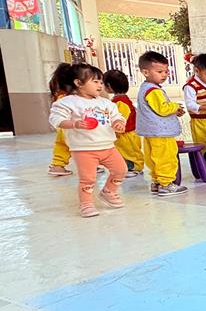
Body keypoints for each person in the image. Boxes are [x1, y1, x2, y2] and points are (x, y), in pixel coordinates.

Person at [48, 63, 129, 218]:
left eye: (101, 82)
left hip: (108, 146)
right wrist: (74, 124)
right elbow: (56, 119)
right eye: (95, 81)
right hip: (83, 149)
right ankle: (86, 204)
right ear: (78, 83)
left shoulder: (105, 103)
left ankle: (109, 191)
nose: (100, 85)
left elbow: (117, 116)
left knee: (121, 170)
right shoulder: (67, 102)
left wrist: (119, 123)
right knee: (88, 179)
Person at [136, 51, 188, 197]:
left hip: (151, 132)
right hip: (161, 132)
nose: (164, 75)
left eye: (166, 71)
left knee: (153, 158)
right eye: (159, 72)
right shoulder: (153, 91)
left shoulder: (145, 88)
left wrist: (173, 111)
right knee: (166, 157)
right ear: (145, 72)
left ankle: (157, 182)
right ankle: (166, 184)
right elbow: (163, 109)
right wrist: (175, 106)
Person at [102, 69, 144, 177]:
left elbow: (121, 118)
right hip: (124, 134)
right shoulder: (120, 99)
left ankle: (135, 167)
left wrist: (116, 130)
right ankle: (128, 167)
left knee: (130, 152)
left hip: (126, 134)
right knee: (124, 151)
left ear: (109, 85)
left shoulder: (120, 101)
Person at [183, 53, 206, 161]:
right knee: (204, 148)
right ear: (197, 71)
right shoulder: (191, 86)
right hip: (200, 123)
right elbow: (190, 105)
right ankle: (205, 166)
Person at [46, 72, 73, 177]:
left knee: (62, 145)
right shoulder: (73, 98)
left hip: (62, 127)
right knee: (84, 146)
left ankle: (57, 165)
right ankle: (91, 166)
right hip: (73, 127)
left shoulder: (60, 97)